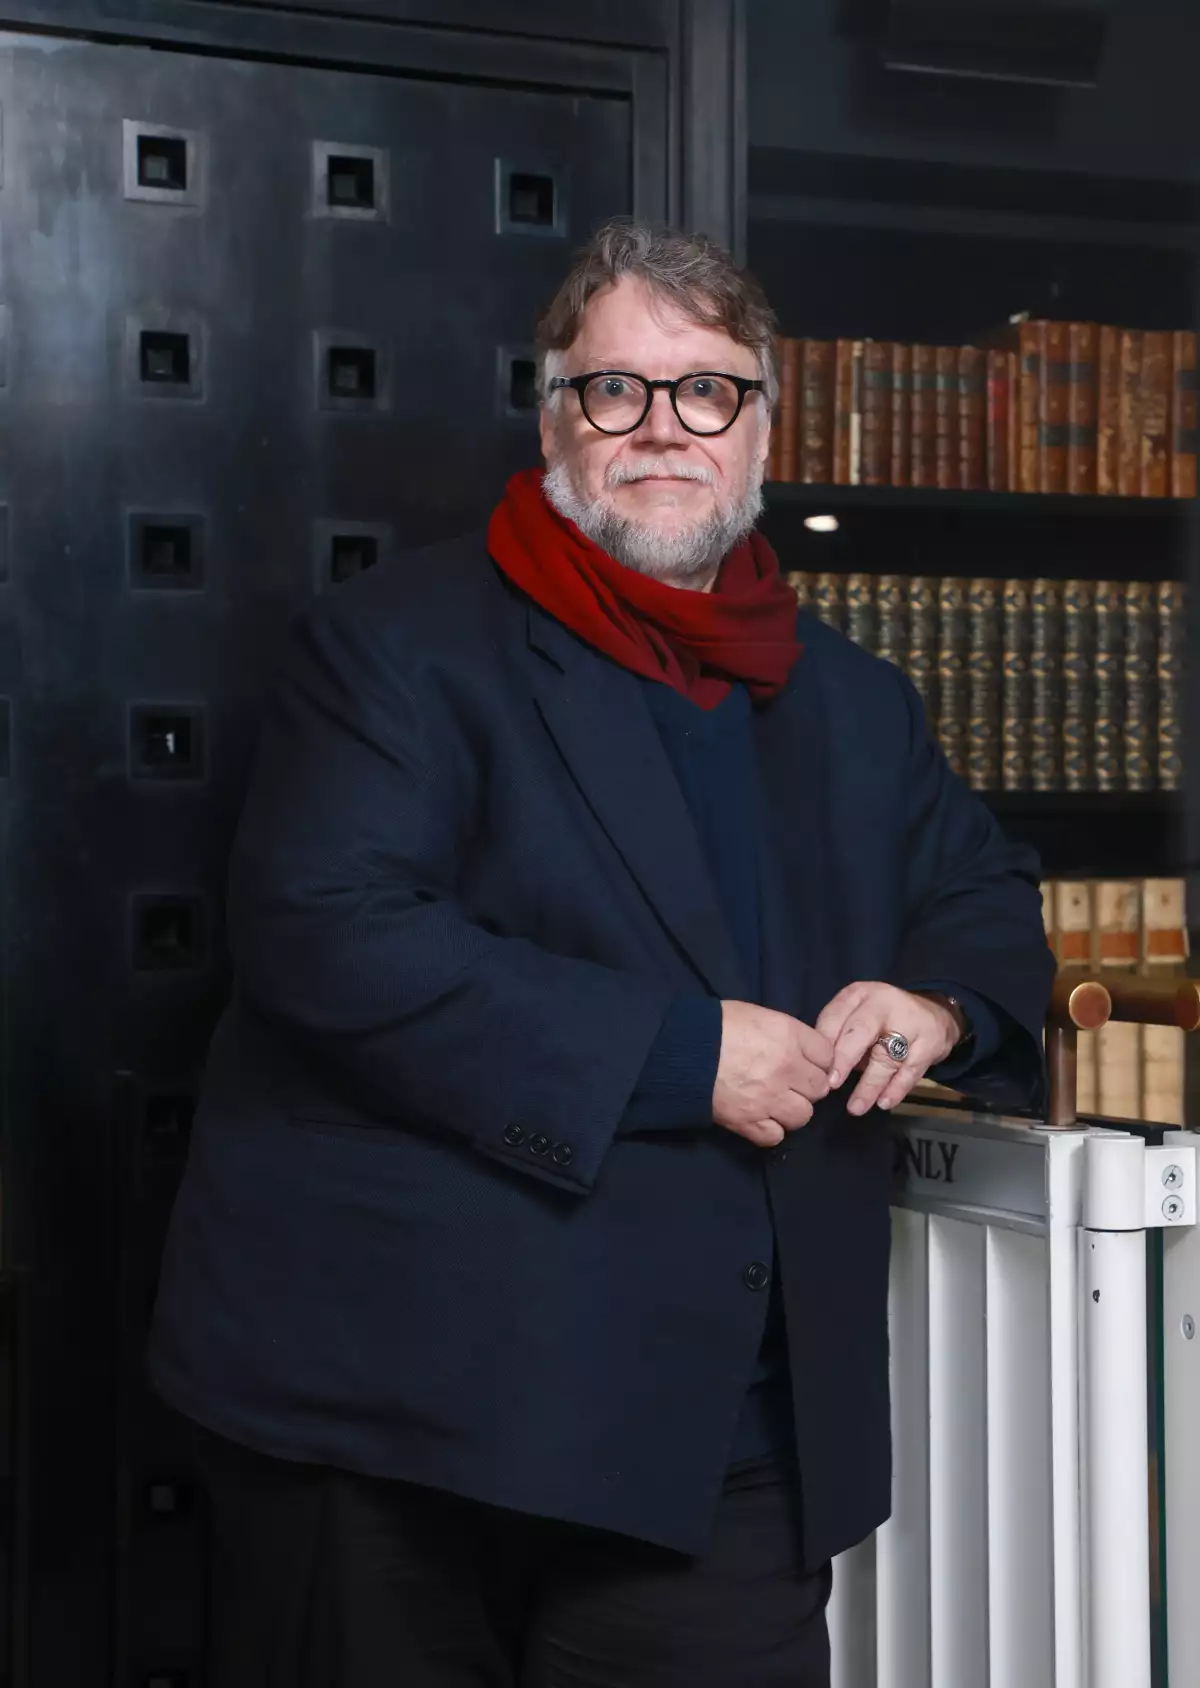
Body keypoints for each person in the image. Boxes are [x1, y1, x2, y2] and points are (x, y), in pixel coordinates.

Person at [148, 219, 1054, 1687]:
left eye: (707, 391)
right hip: (407, 1414)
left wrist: (939, 1004)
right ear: (554, 416)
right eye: (613, 389)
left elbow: (983, 895)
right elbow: (329, 935)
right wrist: (683, 1052)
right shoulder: (393, 647)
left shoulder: (854, 699)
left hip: (724, 1424)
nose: (662, 428)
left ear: (763, 429)